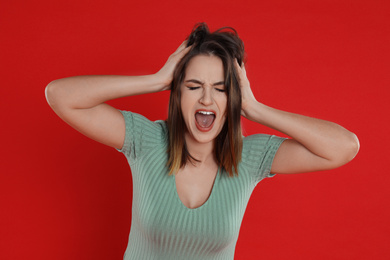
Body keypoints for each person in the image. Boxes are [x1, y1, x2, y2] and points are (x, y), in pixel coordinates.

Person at [45, 23, 359, 260]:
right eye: (194, 86)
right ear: (178, 94)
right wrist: (156, 80)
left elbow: (344, 147)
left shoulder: (250, 157)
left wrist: (255, 108)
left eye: (221, 88)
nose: (207, 97)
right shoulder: (147, 140)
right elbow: (60, 96)